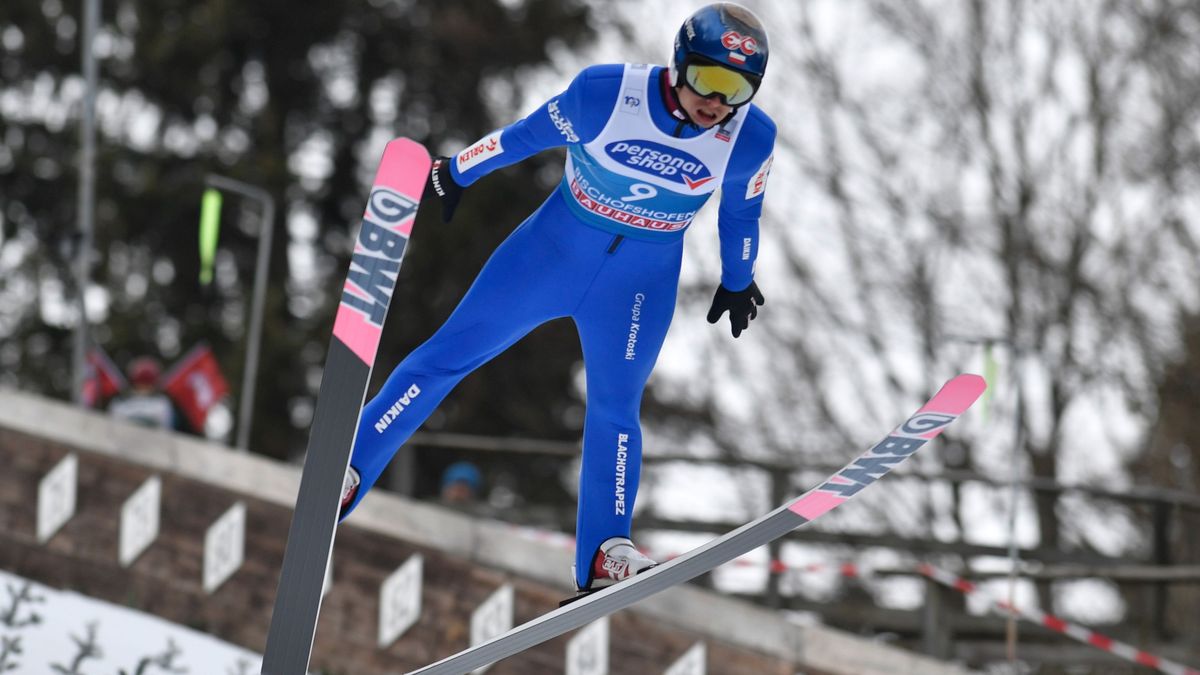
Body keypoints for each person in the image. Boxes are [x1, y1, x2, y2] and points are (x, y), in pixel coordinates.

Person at [340, 3, 776, 603]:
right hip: (548, 255)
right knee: (447, 356)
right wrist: (457, 171)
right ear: (679, 63)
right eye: (707, 79)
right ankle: (351, 466)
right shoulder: (606, 94)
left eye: (737, 89)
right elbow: (525, 135)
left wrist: (738, 279)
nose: (717, 101)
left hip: (637, 285)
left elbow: (742, 214)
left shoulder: (750, 139)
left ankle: (604, 551)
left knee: (616, 408)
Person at [108, 356, 177, 430]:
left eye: (147, 384)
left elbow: (166, 428)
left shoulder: (163, 403)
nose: (143, 389)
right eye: (140, 384)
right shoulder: (119, 403)